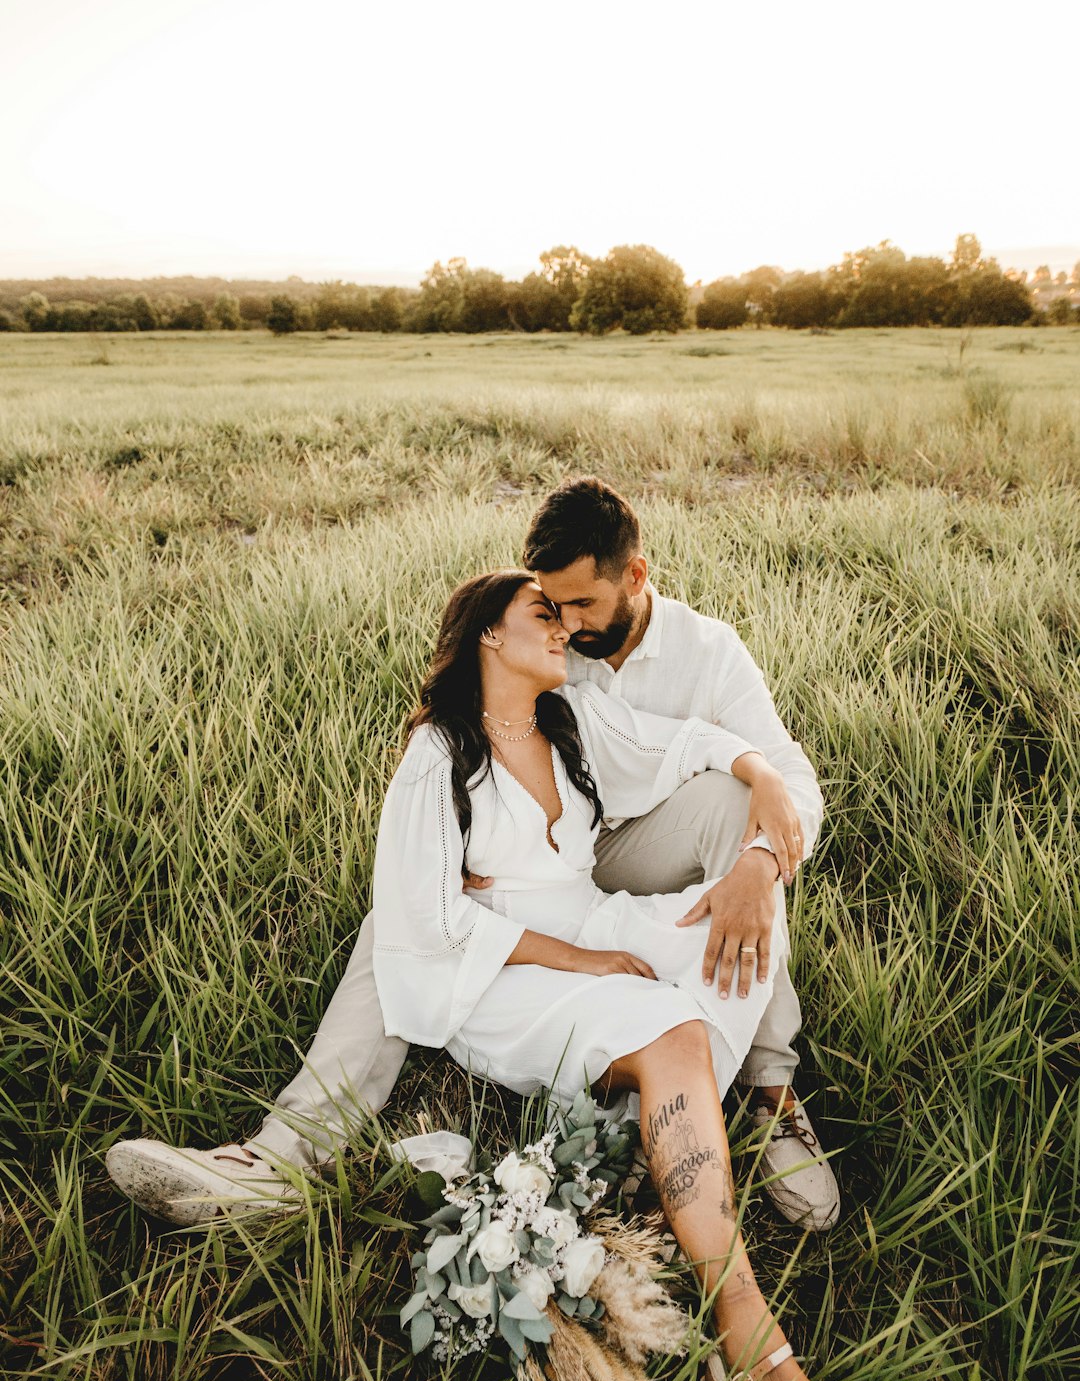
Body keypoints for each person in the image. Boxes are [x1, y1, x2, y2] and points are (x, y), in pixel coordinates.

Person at [106, 480, 839, 1236]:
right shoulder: (547, 649)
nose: (567, 625)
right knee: (401, 915)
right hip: (542, 866)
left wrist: (757, 854)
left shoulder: (708, 653)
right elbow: (470, 722)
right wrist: (468, 843)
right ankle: (283, 1155)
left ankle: (767, 1089)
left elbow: (789, 788)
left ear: (636, 577)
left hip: (638, 851)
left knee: (736, 808)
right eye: (551, 608)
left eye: (582, 605)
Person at [369, 568, 904, 1381]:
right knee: (671, 1026)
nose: (564, 632)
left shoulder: (567, 718)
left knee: (737, 923)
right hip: (503, 975)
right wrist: (583, 959)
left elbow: (684, 744)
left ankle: (662, 1130)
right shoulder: (438, 756)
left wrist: (764, 778)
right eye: (542, 615)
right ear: (489, 636)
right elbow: (428, 923)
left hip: (591, 922)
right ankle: (751, 1349)